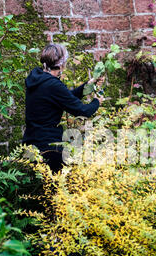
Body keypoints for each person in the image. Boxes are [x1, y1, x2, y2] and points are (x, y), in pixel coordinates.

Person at [22, 43, 104, 173]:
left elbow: (64, 98)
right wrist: (97, 102)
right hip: (49, 148)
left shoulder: (37, 79)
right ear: (61, 65)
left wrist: (88, 85)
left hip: (31, 145)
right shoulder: (53, 84)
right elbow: (83, 111)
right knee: (57, 189)